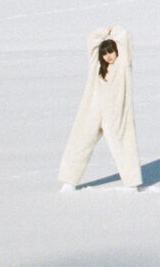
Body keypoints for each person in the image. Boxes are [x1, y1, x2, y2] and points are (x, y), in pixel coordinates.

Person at [58, 26, 143, 191]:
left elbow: (124, 38)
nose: (108, 56)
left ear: (117, 52)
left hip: (116, 114)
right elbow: (92, 40)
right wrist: (103, 32)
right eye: (105, 53)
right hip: (92, 111)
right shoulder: (96, 67)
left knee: (124, 146)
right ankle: (69, 181)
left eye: (111, 52)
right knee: (79, 143)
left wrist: (113, 31)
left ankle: (132, 183)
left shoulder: (123, 65)